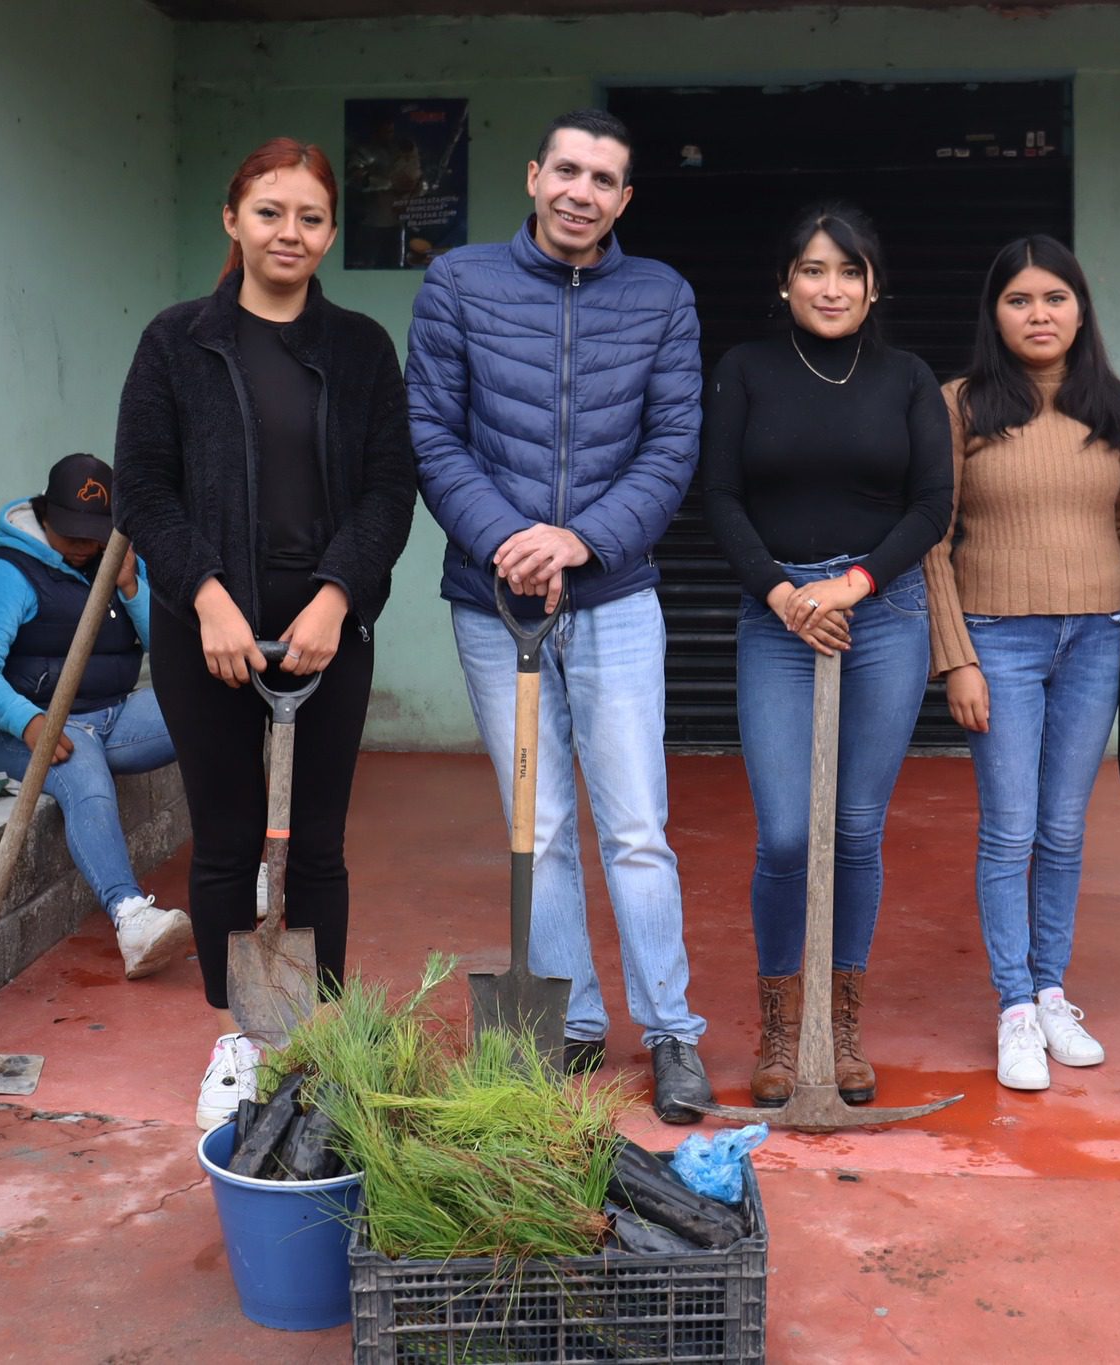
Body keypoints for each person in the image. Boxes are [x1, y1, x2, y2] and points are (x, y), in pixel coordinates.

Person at [406, 108, 712, 1123]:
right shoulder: (458, 283)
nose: (582, 191)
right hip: (494, 603)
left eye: (604, 179)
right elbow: (433, 432)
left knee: (635, 828)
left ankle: (670, 1033)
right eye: (567, 170)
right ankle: (571, 1023)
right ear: (535, 176)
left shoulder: (660, 294)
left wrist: (580, 541)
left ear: (623, 200)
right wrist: (509, 540)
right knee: (534, 828)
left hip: (615, 595)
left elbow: (672, 444)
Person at [113, 137, 418, 1130]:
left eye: (311, 218)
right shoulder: (176, 343)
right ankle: (243, 1037)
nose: (291, 233)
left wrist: (335, 597)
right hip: (208, 635)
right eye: (271, 212)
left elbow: (387, 491)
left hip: (327, 636)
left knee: (317, 846)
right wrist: (204, 597)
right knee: (229, 841)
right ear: (232, 220)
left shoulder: (362, 349)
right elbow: (145, 489)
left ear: (331, 232)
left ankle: (313, 1034)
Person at [924, 235, 1120, 1091]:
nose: (1039, 315)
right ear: (994, 314)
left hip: (1096, 636)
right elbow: (934, 537)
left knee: (1066, 829)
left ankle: (1050, 990)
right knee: (1010, 829)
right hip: (996, 635)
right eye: (1020, 300)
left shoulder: (1117, 403)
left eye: (1055, 298)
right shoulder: (959, 405)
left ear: (1081, 308)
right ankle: (1012, 1006)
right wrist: (955, 656)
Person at [701, 203, 952, 1109]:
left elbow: (931, 505)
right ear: (785, 281)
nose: (831, 286)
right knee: (784, 832)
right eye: (813, 269)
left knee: (852, 829)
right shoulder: (745, 371)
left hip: (880, 614)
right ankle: (780, 1023)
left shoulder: (909, 378)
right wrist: (782, 594)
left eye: (848, 271)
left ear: (873, 284)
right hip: (777, 614)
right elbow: (719, 496)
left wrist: (852, 586)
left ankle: (838, 1024)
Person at [0, 454, 191, 980]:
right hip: (25, 728)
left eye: (95, 535)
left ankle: (249, 871)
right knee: (82, 768)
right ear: (44, 513)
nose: (84, 546)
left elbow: (167, 654)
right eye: (72, 533)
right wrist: (30, 722)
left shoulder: (113, 561)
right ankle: (132, 919)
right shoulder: (7, 573)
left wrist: (130, 588)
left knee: (205, 712)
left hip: (112, 715)